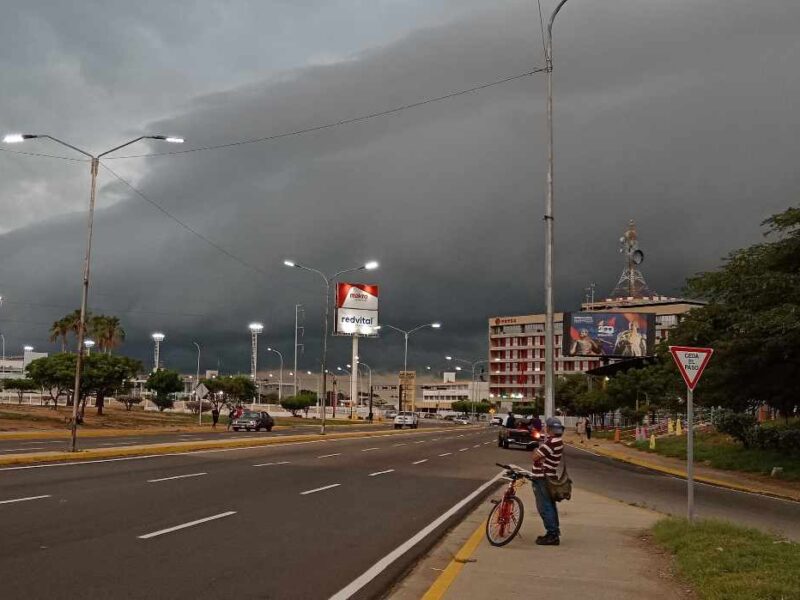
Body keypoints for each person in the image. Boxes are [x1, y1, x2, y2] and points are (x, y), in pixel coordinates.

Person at [531, 416, 565, 546]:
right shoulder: (557, 441)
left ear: (549, 429)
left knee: (544, 506)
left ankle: (552, 534)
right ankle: (553, 531)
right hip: (549, 476)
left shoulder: (551, 443)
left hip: (542, 478)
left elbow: (535, 456)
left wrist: (537, 451)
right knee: (550, 505)